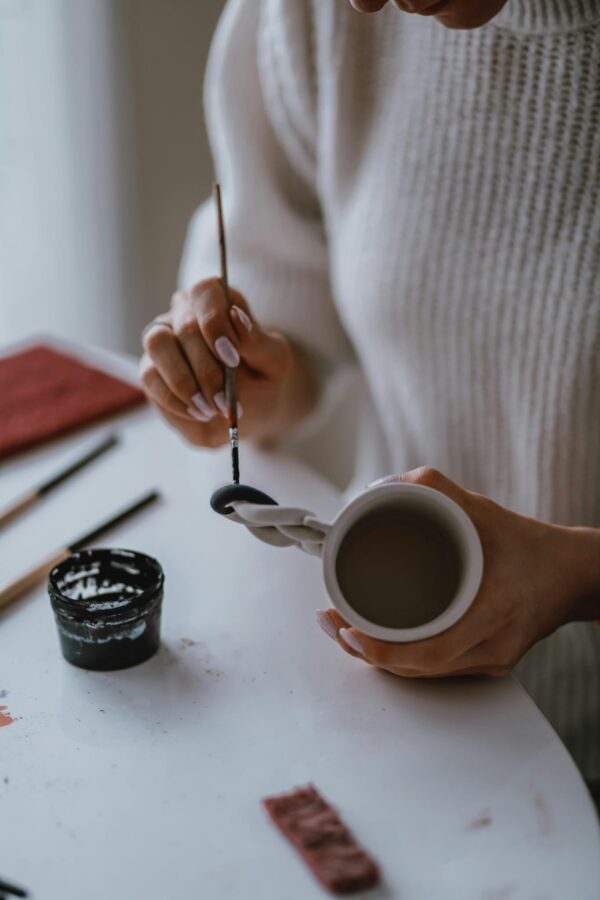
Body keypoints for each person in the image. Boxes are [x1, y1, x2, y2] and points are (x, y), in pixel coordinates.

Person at [139, 0, 600, 795]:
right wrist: (254, 379)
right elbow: (294, 342)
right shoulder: (322, 15)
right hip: (397, 714)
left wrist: (576, 576)